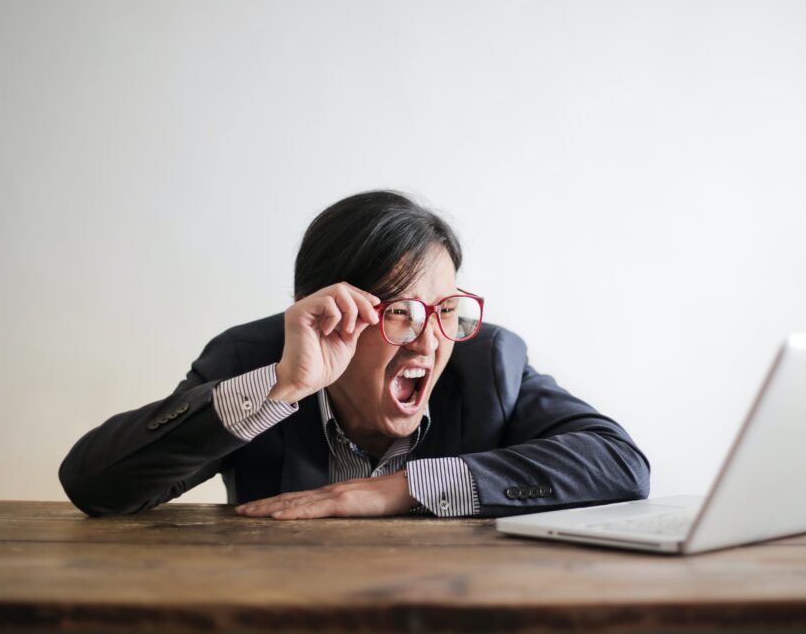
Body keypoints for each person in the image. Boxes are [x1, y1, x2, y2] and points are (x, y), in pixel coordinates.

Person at [59, 190, 651, 519]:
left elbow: (619, 463)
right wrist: (280, 389)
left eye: (446, 309)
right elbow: (94, 485)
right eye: (398, 311)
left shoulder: (488, 360)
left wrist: (400, 488)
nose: (428, 340)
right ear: (322, 310)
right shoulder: (253, 358)